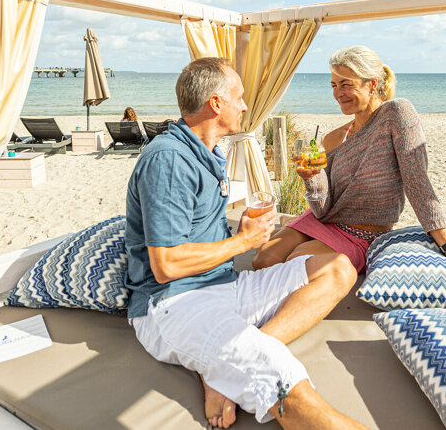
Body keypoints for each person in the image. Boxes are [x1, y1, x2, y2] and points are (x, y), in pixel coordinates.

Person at [124, 57, 364, 429]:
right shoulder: (170, 160)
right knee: (289, 387)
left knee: (337, 268)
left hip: (224, 286)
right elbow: (166, 265)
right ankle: (232, 363)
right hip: (175, 303)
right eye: (239, 97)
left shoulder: (208, 153)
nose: (245, 105)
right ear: (216, 103)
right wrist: (242, 242)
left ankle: (223, 370)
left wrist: (242, 233)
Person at [253, 45, 446, 278]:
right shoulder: (332, 139)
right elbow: (322, 209)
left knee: (295, 264)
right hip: (321, 219)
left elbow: (418, 183)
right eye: (333, 85)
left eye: (346, 84)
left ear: (372, 84)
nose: (338, 93)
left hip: (363, 234)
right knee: (263, 260)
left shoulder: (396, 114)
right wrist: (313, 179)